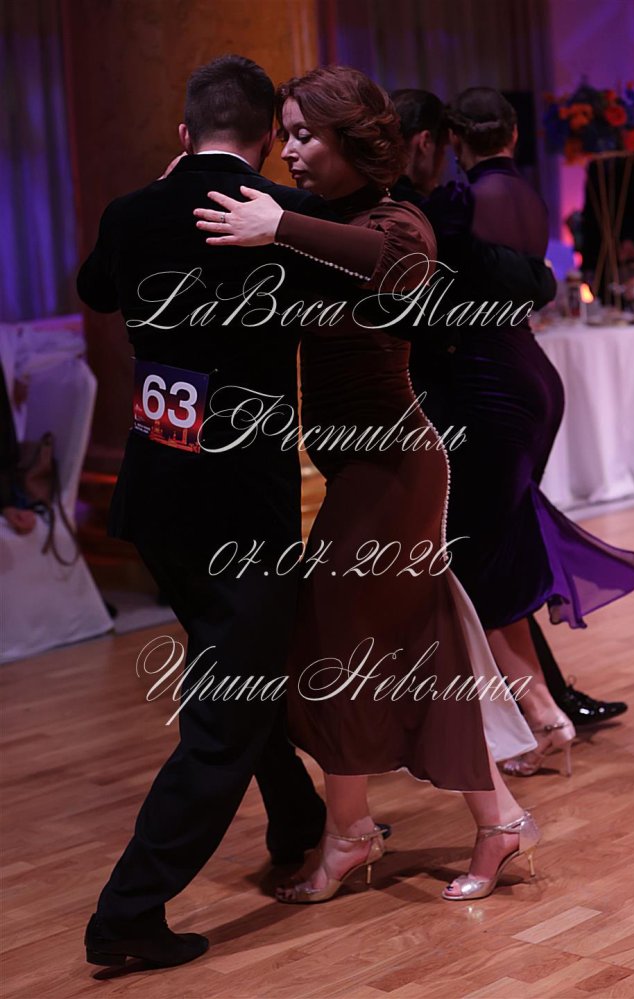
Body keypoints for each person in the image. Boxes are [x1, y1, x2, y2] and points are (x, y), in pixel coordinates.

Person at [76, 54, 394, 970]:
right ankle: (127, 913)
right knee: (227, 712)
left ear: (184, 134)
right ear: (263, 139)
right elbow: (382, 289)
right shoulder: (279, 220)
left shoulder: (132, 211)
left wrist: (157, 199)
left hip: (154, 495)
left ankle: (295, 819)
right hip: (241, 507)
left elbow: (96, 291)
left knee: (236, 671)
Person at [195, 65, 540, 905]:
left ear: (352, 140)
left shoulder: (395, 221)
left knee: (327, 646)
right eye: (286, 134)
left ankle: (350, 832)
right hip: (362, 467)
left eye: (305, 135)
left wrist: (279, 222)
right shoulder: (321, 219)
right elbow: (287, 217)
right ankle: (493, 819)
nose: (291, 150)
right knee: (418, 650)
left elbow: (396, 264)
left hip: (395, 470)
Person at [402, 87, 634, 775]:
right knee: (498, 542)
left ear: (451, 140)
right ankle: (541, 706)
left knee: (478, 555)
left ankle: (540, 714)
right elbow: (532, 279)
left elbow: (509, 279)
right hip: (529, 374)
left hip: (491, 387)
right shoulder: (522, 195)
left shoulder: (452, 207)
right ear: (513, 134)